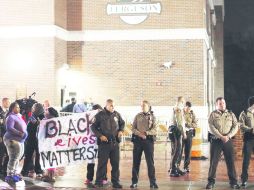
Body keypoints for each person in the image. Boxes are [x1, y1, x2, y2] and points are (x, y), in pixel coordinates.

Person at [206, 97, 240, 189]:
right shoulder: (212, 114)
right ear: (217, 105)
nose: (222, 105)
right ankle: (211, 182)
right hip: (216, 140)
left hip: (228, 140)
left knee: (230, 162)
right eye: (220, 103)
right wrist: (221, 136)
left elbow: (235, 126)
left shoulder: (231, 114)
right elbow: (210, 127)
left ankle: (233, 182)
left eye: (223, 103)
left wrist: (228, 136)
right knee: (214, 162)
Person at [91, 99, 125, 188]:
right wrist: (100, 136)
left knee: (116, 164)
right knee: (102, 164)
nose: (113, 107)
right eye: (111, 106)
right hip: (104, 144)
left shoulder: (117, 114)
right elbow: (93, 127)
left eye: (114, 106)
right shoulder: (100, 115)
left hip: (115, 143)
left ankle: (116, 182)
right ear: (106, 105)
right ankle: (98, 182)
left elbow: (122, 123)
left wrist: (121, 130)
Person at [130, 100, 158, 189]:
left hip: (148, 142)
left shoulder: (153, 117)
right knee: (136, 162)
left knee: (150, 163)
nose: (142, 107)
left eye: (144, 106)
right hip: (138, 141)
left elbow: (155, 130)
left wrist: (146, 133)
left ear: (148, 106)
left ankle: (153, 182)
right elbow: (133, 128)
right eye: (141, 106)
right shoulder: (137, 116)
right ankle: (134, 182)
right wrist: (139, 134)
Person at [4, 102, 28, 183]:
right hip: (12, 140)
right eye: (17, 107)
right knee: (13, 157)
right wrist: (20, 133)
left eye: (18, 107)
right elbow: (9, 128)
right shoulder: (10, 117)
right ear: (12, 108)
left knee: (18, 158)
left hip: (20, 140)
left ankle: (14, 173)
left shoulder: (18, 116)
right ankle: (9, 175)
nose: (19, 108)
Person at [21, 103, 44, 177]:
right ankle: (25, 171)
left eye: (35, 108)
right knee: (28, 155)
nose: (33, 109)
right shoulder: (32, 116)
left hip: (38, 139)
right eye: (34, 107)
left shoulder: (42, 117)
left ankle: (38, 170)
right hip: (31, 138)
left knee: (38, 155)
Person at [84, 104, 104, 188]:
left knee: (102, 161)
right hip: (91, 144)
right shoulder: (89, 118)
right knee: (90, 162)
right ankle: (89, 178)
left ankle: (103, 178)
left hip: (100, 142)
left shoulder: (103, 118)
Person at [169, 96, 187, 177]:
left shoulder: (175, 107)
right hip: (176, 131)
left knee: (176, 151)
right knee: (177, 151)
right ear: (182, 101)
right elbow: (179, 123)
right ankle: (173, 170)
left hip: (173, 130)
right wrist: (184, 133)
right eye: (184, 101)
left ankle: (176, 168)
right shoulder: (178, 108)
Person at [178, 101, 198, 173]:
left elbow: (195, 124)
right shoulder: (180, 113)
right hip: (181, 133)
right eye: (187, 107)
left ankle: (186, 166)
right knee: (179, 150)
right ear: (185, 106)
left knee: (188, 151)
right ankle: (176, 166)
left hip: (189, 133)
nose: (189, 109)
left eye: (190, 108)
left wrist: (189, 125)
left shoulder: (192, 114)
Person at [239, 96, 254, 188]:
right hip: (248, 139)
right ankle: (244, 180)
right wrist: (251, 130)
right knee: (246, 161)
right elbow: (241, 125)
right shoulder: (244, 113)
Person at [41, 107, 59, 182]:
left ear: (50, 113)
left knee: (50, 158)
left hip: (50, 143)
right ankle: (48, 174)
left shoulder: (51, 121)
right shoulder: (49, 120)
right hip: (48, 142)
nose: (45, 112)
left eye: (46, 111)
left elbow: (50, 133)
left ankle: (51, 175)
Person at [0, 98, 10, 177]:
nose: (8, 104)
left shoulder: (9, 112)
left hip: (8, 137)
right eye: (7, 102)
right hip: (1, 136)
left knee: (8, 153)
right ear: (3, 102)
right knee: (1, 153)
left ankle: (4, 169)